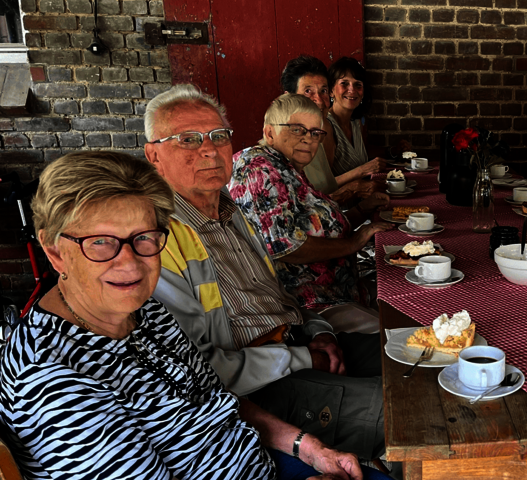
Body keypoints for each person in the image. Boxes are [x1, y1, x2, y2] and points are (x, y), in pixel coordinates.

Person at [0, 150, 387, 480]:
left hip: (261, 462)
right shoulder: (51, 377)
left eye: (144, 237)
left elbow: (215, 399)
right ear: (54, 253)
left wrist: (306, 446)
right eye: (100, 242)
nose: (131, 263)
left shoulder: (146, 311)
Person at [144, 84, 387, 463]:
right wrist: (306, 358)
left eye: (218, 136)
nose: (208, 150)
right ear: (154, 155)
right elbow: (201, 368)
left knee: (418, 355)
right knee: (402, 408)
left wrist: (318, 334)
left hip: (298, 341)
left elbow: (277, 295)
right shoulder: (155, 241)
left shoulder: (231, 213)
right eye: (188, 139)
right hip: (257, 387)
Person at [230, 93, 392, 320]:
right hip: (309, 309)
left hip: (340, 291)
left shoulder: (286, 166)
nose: (309, 139)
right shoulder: (260, 169)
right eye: (297, 129)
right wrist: (354, 242)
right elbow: (284, 245)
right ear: (269, 132)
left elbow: (318, 226)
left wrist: (363, 209)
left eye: (316, 133)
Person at [281, 54, 377, 204]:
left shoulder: (315, 136)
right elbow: (305, 211)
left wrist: (362, 210)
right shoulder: (276, 155)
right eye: (308, 91)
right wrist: (352, 187)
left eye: (323, 91)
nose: (318, 100)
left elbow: (321, 199)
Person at [326, 57, 411, 176]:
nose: (352, 90)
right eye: (344, 84)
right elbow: (324, 186)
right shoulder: (326, 126)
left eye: (358, 85)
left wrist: (392, 151)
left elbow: (361, 154)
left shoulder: (356, 122)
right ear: (331, 91)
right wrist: (363, 170)